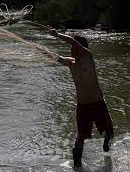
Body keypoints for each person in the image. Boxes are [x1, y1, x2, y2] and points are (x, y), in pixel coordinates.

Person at [48, 27, 114, 168]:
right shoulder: (71, 63)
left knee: (110, 131)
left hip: (98, 103)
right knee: (80, 137)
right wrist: (41, 50)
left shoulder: (88, 56)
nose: (71, 50)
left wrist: (57, 35)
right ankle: (77, 165)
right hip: (83, 105)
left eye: (73, 47)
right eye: (71, 48)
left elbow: (73, 41)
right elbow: (56, 57)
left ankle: (107, 141)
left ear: (81, 48)